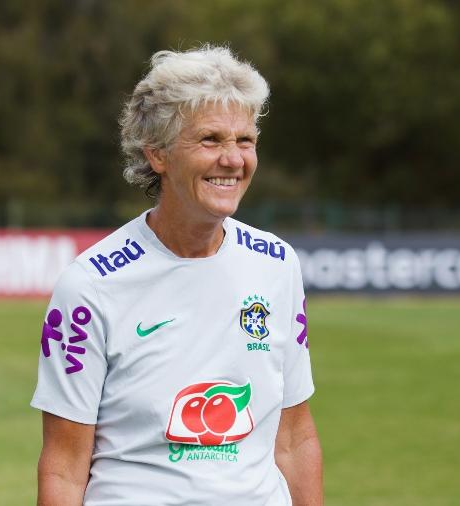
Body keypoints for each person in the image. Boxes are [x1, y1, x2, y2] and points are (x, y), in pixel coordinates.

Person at [32, 45, 322, 506]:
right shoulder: (90, 285)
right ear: (158, 155)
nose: (233, 159)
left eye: (244, 141)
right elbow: (65, 468)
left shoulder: (277, 264)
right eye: (210, 140)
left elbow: (293, 438)